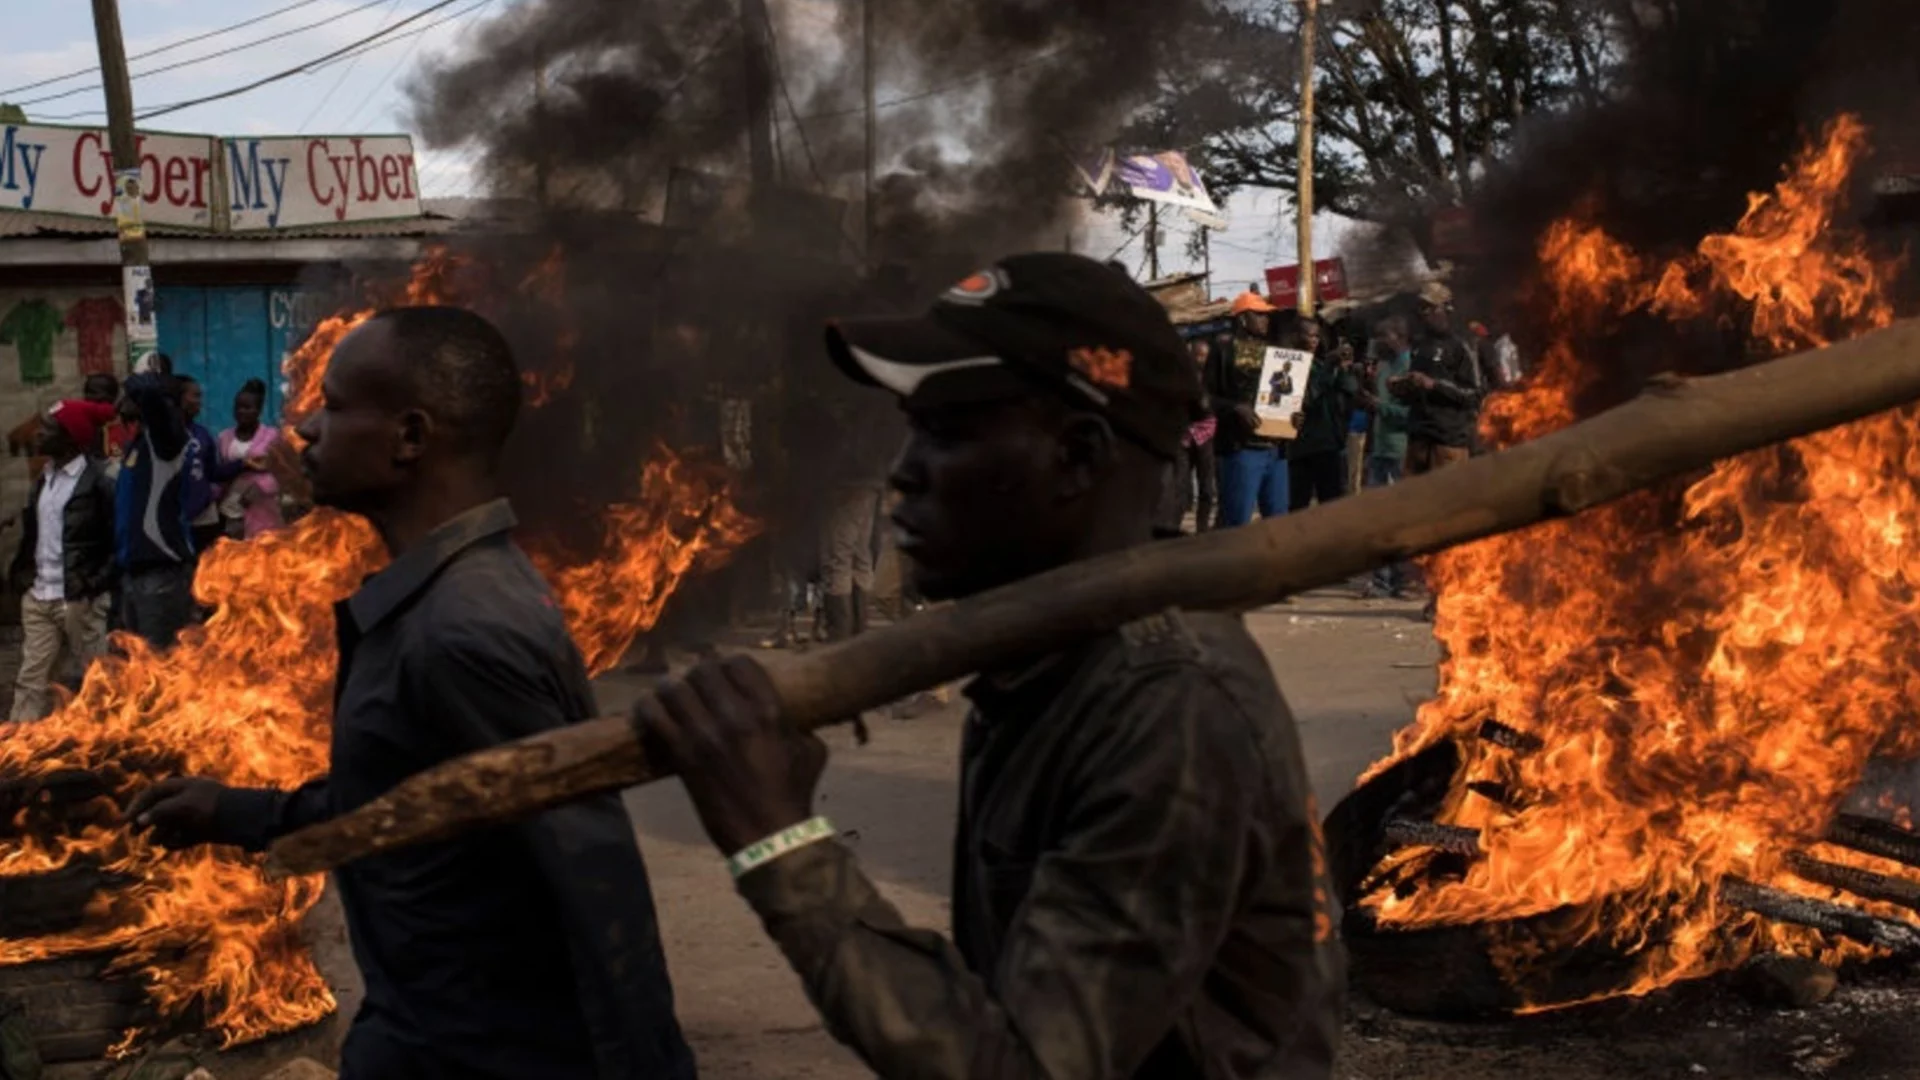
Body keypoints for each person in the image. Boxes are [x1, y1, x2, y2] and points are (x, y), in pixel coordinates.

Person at [635, 254, 1343, 1079]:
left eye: (944, 431)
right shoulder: (1043, 660)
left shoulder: (1167, 704)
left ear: (1078, 455)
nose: (905, 472)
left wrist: (778, 842)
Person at [127, 307, 696, 1080]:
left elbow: (598, 885)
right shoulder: (443, 600)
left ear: (411, 437)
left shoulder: (461, 633)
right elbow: (406, 800)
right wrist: (235, 813)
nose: (306, 432)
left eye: (332, 406)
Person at [8, 400, 118, 721]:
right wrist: (22, 575)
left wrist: (92, 585)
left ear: (70, 438)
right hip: (41, 596)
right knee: (31, 680)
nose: (38, 434)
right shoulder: (45, 478)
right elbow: (35, 536)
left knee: (95, 681)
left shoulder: (100, 482)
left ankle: (106, 745)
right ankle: (19, 748)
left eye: (48, 429)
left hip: (78, 599)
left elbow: (117, 542)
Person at [116, 355, 200, 650]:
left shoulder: (168, 441)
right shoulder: (137, 445)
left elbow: (150, 394)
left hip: (162, 576)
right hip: (134, 576)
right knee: (139, 668)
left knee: (161, 668)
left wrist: (146, 383)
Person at [1207, 290, 1290, 525]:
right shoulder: (1223, 350)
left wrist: (1293, 415)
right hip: (1241, 450)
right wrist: (1235, 407)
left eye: (1267, 315)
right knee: (1237, 524)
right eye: (1259, 315)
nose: (1265, 320)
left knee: (1279, 525)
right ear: (1243, 318)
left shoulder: (1275, 352)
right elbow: (1205, 397)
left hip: (1276, 451)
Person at [1395, 282, 1483, 476]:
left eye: (1429, 307)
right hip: (1418, 440)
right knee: (1411, 503)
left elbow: (1473, 395)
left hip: (1447, 442)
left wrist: (1433, 385)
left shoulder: (1460, 346)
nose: (1423, 313)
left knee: (1447, 504)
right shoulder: (1419, 344)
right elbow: (1418, 388)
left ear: (1446, 309)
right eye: (1421, 308)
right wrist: (1403, 387)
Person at [1361, 317, 1415, 599]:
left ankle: (1404, 580)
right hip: (1380, 451)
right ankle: (1382, 579)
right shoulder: (1381, 367)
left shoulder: (1411, 365)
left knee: (1402, 520)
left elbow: (1413, 415)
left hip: (1400, 451)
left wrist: (1382, 407)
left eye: (1383, 336)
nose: (1378, 342)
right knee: (1378, 519)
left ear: (1399, 335)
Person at [1285, 316, 1359, 512]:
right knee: (1298, 507)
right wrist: (1328, 367)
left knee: (1332, 506)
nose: (1314, 340)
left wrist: (1344, 367)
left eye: (1317, 336)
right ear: (1295, 337)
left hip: (1328, 445)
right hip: (1302, 447)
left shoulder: (1320, 364)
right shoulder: (1289, 365)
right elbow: (1306, 399)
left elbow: (1351, 389)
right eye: (1309, 336)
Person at [178, 375, 243, 554]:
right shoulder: (164, 436)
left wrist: (243, 463)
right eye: (195, 396)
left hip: (204, 516)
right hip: (176, 517)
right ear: (179, 398)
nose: (200, 401)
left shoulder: (202, 434)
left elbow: (212, 472)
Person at [216, 378, 284, 539]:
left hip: (262, 509)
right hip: (231, 510)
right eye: (238, 407)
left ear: (259, 410)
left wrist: (260, 488)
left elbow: (282, 471)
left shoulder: (272, 436)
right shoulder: (224, 437)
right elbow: (220, 471)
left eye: (247, 408)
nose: (241, 411)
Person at [1183, 338, 1217, 531]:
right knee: (1181, 486)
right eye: (1199, 355)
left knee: (1207, 488)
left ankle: (1202, 528)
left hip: (1207, 436)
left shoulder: (1212, 379)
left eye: (1205, 355)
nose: (1202, 359)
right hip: (1185, 437)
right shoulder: (1183, 377)